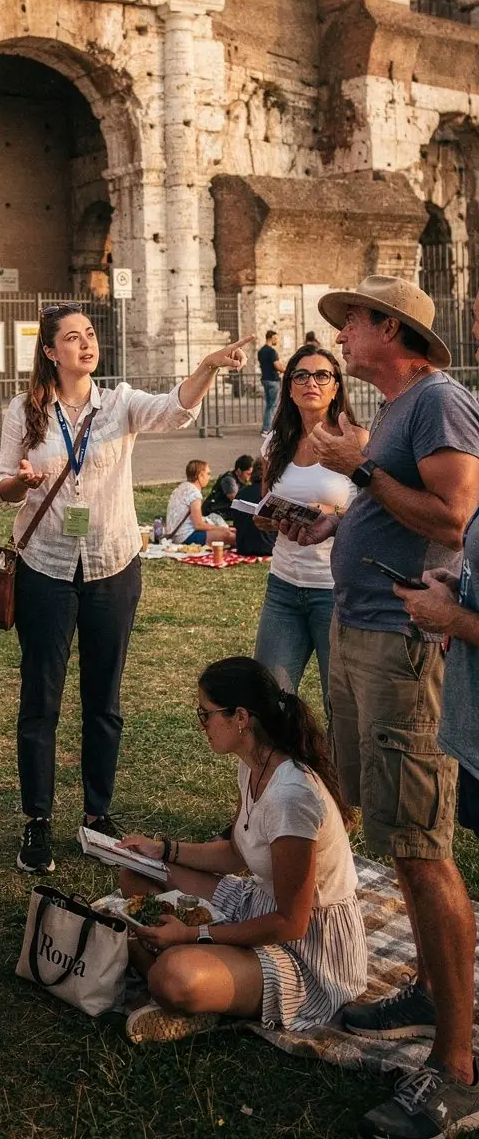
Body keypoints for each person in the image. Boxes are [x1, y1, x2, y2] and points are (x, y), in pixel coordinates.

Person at [286, 275, 479, 1139]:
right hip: (360, 633)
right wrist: (339, 518)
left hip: (404, 649)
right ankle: (430, 991)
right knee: (398, 836)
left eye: (353, 321)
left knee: (425, 848)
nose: (340, 335)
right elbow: (401, 502)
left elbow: (455, 518)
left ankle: (457, 1066)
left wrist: (357, 467)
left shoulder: (437, 402)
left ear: (391, 330)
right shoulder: (399, 409)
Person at [0, 301, 253, 876]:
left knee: (103, 699)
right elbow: (0, 485)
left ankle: (97, 813)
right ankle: (37, 820)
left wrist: (208, 367)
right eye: (72, 337)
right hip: (45, 567)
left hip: (112, 565)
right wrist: (20, 484)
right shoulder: (25, 410)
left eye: (89, 334)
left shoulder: (120, 403)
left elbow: (174, 410)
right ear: (49, 351)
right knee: (41, 699)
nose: (86, 344)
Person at [115, 656, 367, 1045]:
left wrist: (194, 934)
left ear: (241, 718)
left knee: (172, 976)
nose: (202, 725)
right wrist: (162, 849)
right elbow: (237, 852)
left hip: (308, 948)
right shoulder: (251, 765)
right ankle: (206, 985)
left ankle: (196, 991)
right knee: (136, 871)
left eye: (206, 714)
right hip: (259, 904)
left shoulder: (291, 798)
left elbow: (292, 923)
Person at [253, 344, 366, 710]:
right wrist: (265, 517)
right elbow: (265, 504)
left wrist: (331, 511)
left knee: (341, 707)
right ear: (289, 388)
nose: (311, 383)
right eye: (300, 375)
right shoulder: (276, 442)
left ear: (336, 388)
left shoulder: (356, 441)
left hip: (335, 590)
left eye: (322, 375)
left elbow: (374, 511)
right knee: (269, 701)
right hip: (283, 586)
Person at [165, 460, 236, 546]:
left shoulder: (183, 487)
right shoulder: (194, 494)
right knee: (227, 535)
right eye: (208, 474)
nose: (209, 477)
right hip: (185, 536)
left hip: (174, 535)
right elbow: (198, 525)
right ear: (200, 476)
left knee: (224, 529)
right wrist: (221, 529)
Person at [233, 459, 275, 558]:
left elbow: (236, 522)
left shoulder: (241, 493)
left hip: (243, 547)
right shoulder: (273, 496)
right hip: (268, 548)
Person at [201, 454, 254, 523]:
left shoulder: (240, 480)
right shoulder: (229, 480)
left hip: (222, 511)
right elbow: (235, 500)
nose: (250, 477)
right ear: (239, 471)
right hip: (213, 511)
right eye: (248, 474)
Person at [258, 330, 283, 435]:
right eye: (276, 338)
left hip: (265, 379)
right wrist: (286, 370)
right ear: (271, 338)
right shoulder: (272, 351)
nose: (277, 340)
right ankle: (268, 429)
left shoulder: (261, 351)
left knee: (269, 405)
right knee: (273, 406)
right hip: (273, 380)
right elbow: (277, 366)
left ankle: (266, 427)